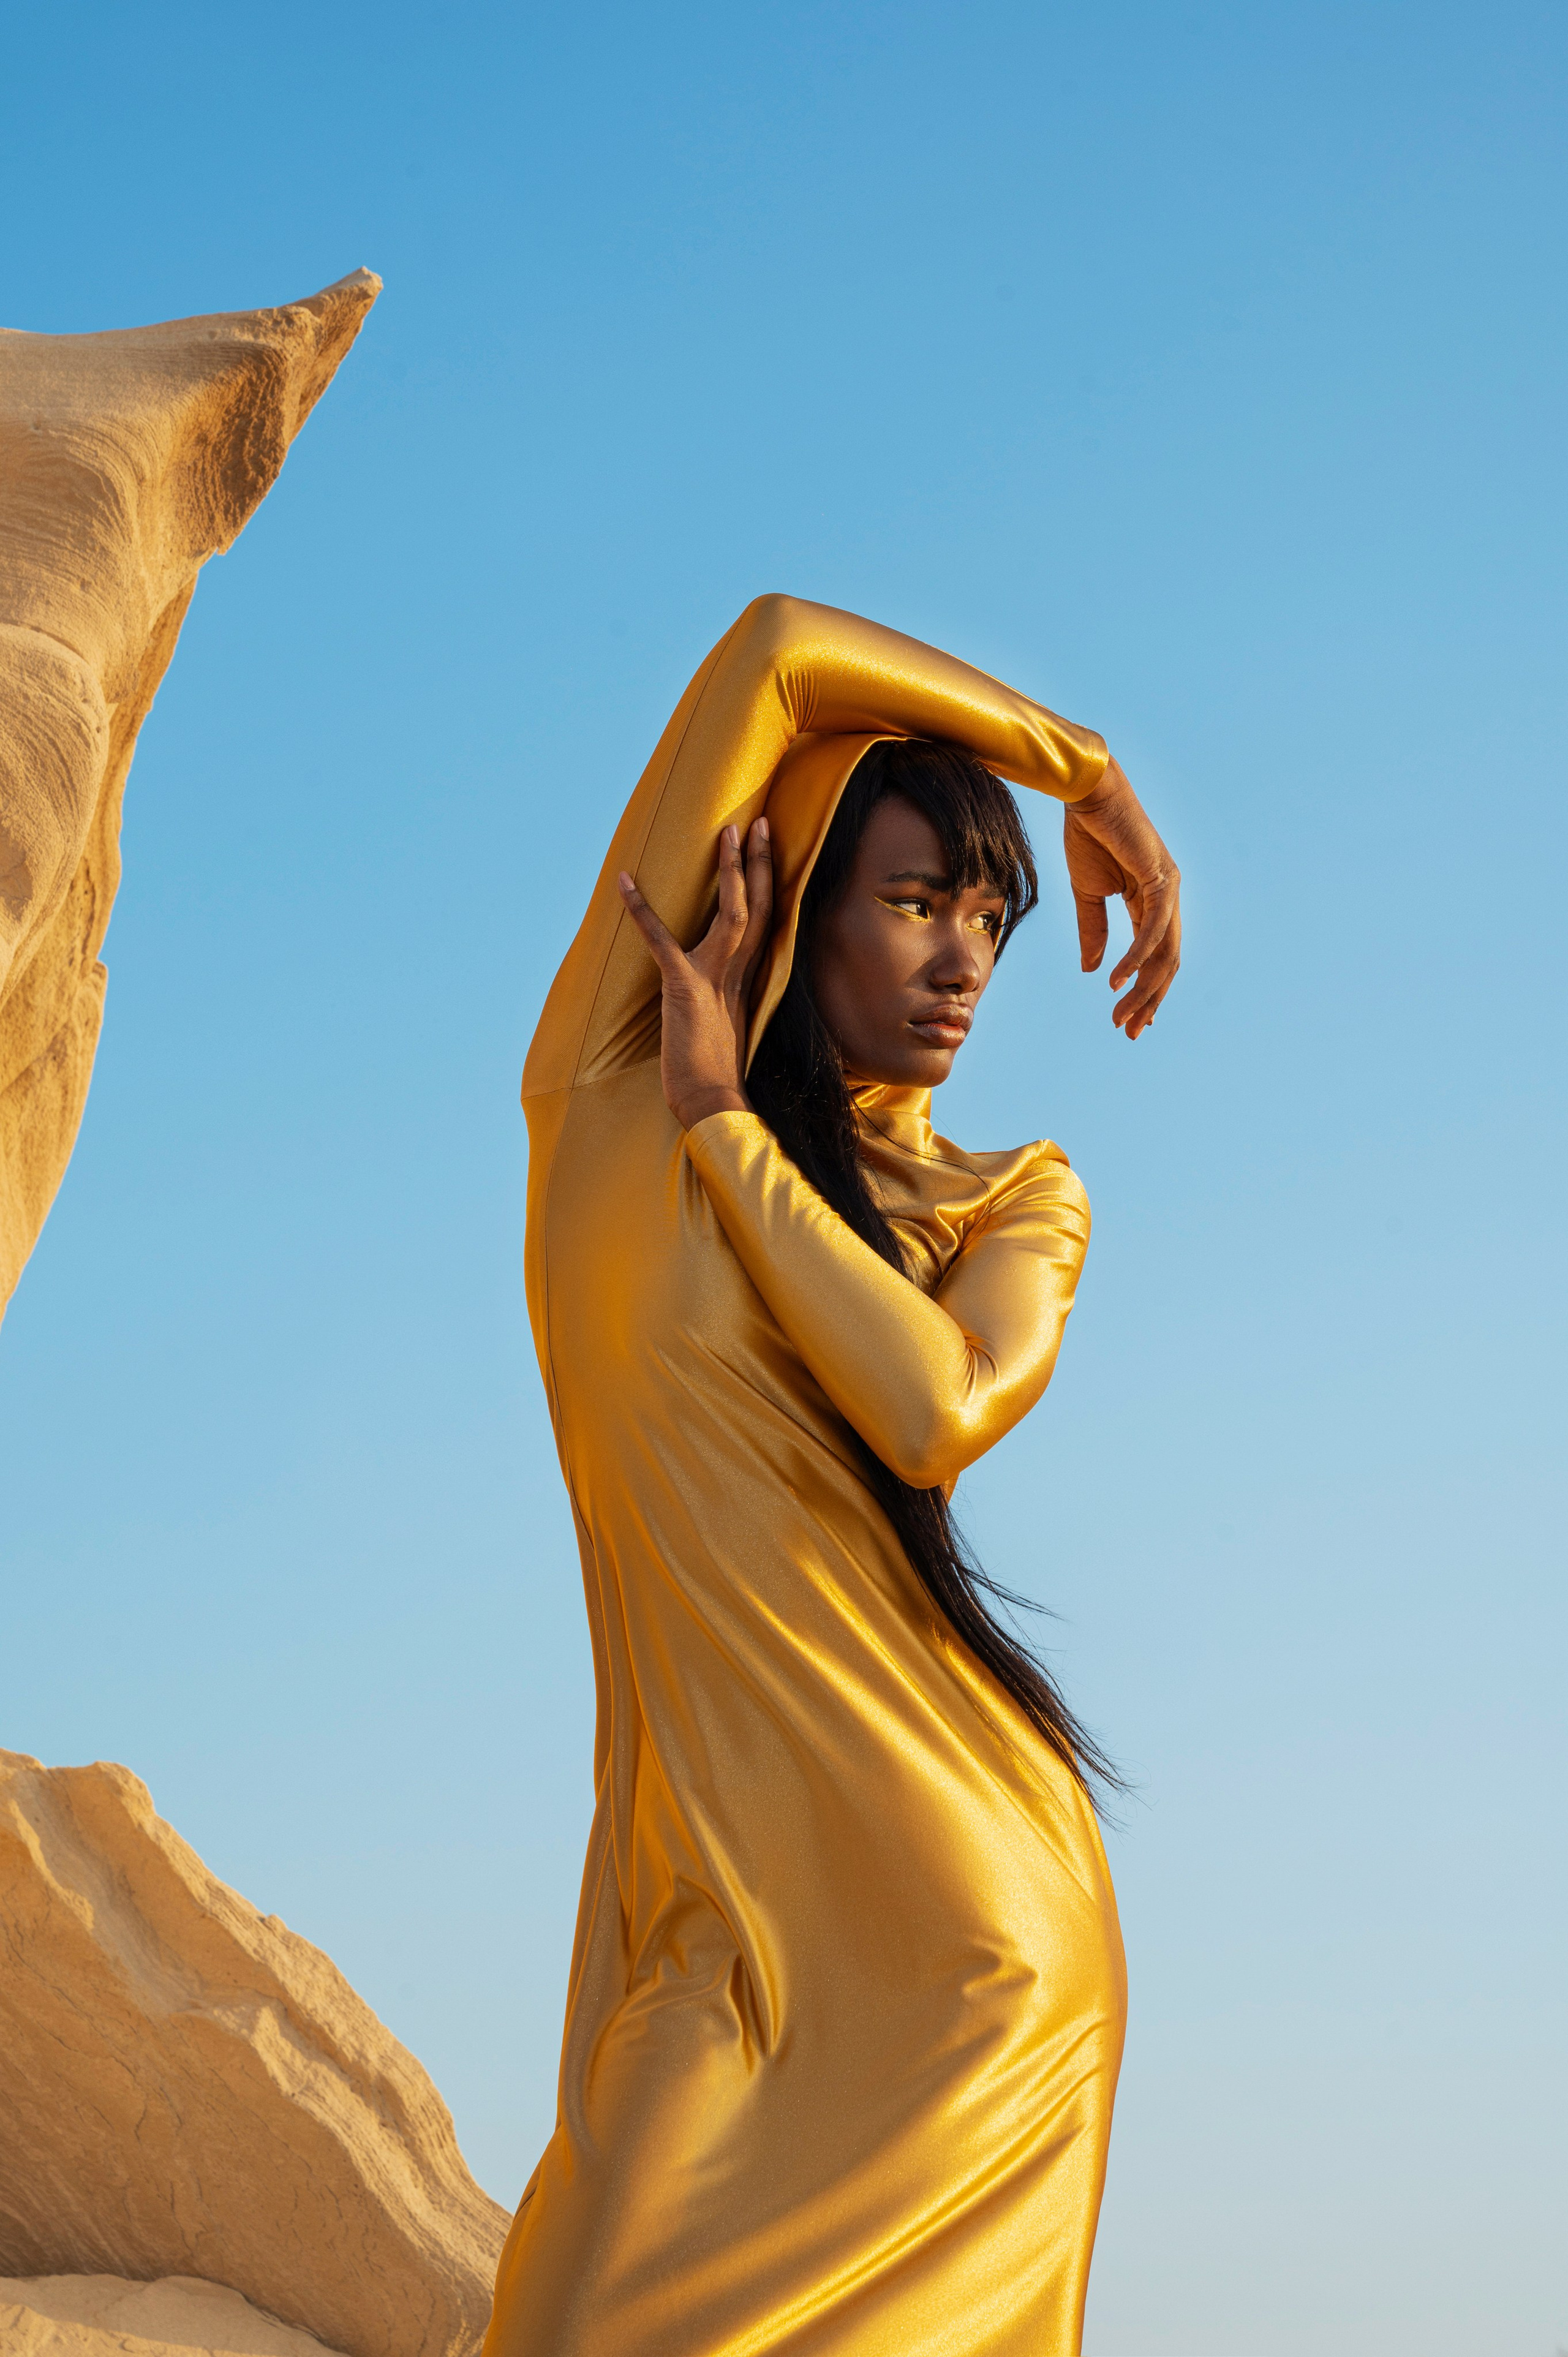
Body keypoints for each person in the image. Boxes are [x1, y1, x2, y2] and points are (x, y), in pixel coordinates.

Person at [484, 594, 1181, 2357]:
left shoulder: (1009, 1198)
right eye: (917, 900)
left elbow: (937, 1407)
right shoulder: (605, 1077)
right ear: (797, 894)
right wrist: (1084, 770)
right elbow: (781, 649)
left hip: (972, 1948)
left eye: (992, 919)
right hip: (703, 1939)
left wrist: (729, 1133)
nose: (965, 961)